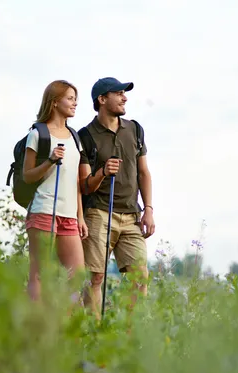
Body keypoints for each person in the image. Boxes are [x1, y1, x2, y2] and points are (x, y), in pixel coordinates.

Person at [77, 77, 155, 320]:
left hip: (131, 215)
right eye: (118, 93)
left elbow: (143, 172)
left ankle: (131, 334)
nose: (125, 98)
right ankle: (93, 332)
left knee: (139, 275)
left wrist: (149, 209)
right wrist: (102, 172)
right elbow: (84, 186)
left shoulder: (135, 129)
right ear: (102, 100)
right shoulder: (85, 136)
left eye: (125, 93)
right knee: (95, 277)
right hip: (99, 212)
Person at [23, 79, 88, 302]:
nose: (75, 103)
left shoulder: (74, 137)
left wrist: (80, 216)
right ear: (54, 102)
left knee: (77, 274)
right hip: (43, 210)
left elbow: (76, 182)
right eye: (70, 98)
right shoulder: (38, 135)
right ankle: (36, 328)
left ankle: (63, 326)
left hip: (69, 216)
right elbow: (27, 175)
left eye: (75, 99)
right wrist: (50, 161)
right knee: (39, 274)